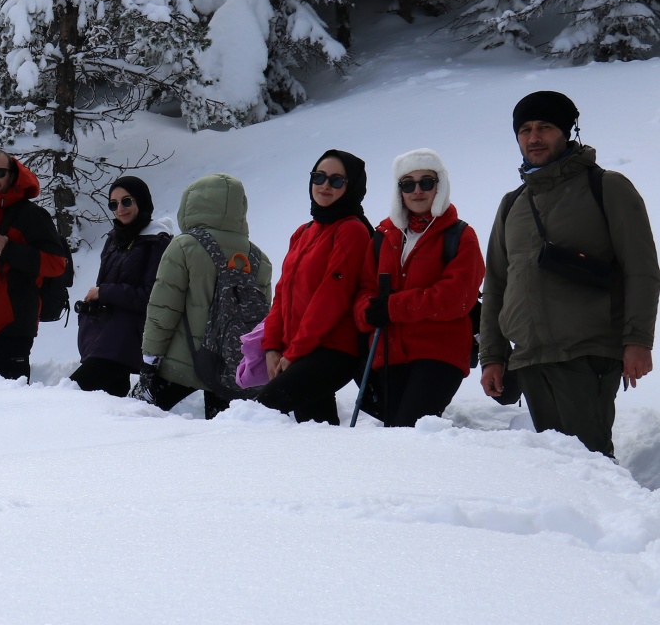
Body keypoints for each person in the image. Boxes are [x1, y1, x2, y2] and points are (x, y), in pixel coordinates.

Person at [479, 91, 660, 458]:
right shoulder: (511, 204)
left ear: (567, 132)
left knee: (590, 459)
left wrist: (637, 340)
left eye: (545, 127)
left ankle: (617, 518)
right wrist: (492, 356)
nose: (534, 137)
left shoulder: (607, 187)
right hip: (529, 358)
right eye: (525, 130)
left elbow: (641, 269)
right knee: (559, 467)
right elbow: (497, 283)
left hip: (588, 351)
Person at [352, 149, 484, 427]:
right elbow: (364, 289)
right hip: (388, 353)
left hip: (440, 352)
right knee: (394, 432)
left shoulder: (460, 235)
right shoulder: (383, 236)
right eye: (407, 183)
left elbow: (456, 298)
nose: (417, 190)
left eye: (426, 182)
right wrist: (367, 312)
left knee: (407, 428)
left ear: (440, 186)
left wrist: (391, 307)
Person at [138, 173, 272, 417]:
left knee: (136, 420)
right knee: (220, 440)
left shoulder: (184, 246)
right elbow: (262, 324)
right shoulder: (259, 259)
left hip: (181, 366)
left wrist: (149, 359)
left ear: (191, 204)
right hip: (232, 367)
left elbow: (163, 311)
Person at [256, 150, 373, 425]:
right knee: (315, 430)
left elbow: (331, 300)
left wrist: (295, 352)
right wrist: (272, 346)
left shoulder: (352, 230)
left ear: (352, 186)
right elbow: (282, 295)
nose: (324, 185)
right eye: (318, 177)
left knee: (262, 413)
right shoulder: (304, 231)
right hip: (300, 350)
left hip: (332, 350)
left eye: (336, 180)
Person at [0, 149, 69, 380]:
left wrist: (8, 249)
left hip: (9, 332)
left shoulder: (30, 215)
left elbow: (57, 264)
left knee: (6, 411)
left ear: (12, 175)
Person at [71, 176, 173, 397]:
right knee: (106, 411)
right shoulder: (114, 239)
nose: (120, 209)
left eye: (126, 201)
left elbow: (152, 297)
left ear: (142, 201)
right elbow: (103, 286)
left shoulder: (157, 242)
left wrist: (105, 293)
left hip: (128, 339)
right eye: (113, 204)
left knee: (74, 393)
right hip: (105, 336)